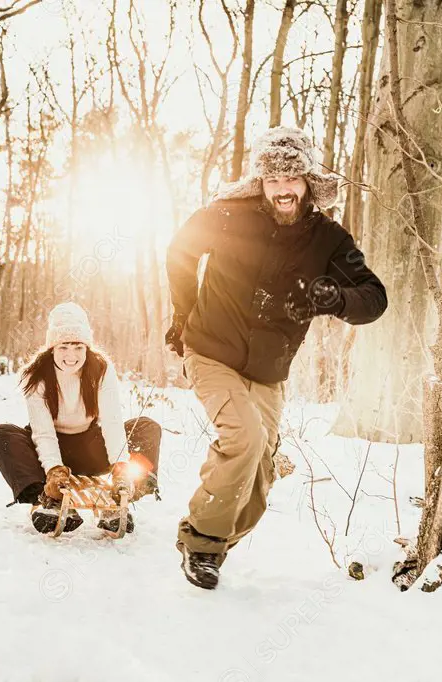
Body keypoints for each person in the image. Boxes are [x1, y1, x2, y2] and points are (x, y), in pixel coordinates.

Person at [165, 127, 388, 589]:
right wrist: (183, 314)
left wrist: (336, 299)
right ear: (261, 183)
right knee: (244, 439)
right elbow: (180, 250)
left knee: (262, 466)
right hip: (211, 350)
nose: (283, 189)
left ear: (307, 181)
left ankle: (213, 546)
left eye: (292, 179)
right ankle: (203, 541)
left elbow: (374, 298)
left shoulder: (328, 238)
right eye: (273, 180)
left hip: (268, 370)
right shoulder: (229, 215)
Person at [0, 302, 161, 535]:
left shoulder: (100, 368)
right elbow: (43, 432)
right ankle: (47, 499)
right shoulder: (35, 374)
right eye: (64, 347)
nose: (72, 355)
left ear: (87, 347)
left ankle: (122, 495)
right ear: (52, 348)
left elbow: (111, 421)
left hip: (90, 449)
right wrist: (54, 470)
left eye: (78, 347)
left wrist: (120, 466)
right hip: (47, 455)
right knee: (1, 435)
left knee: (147, 427)